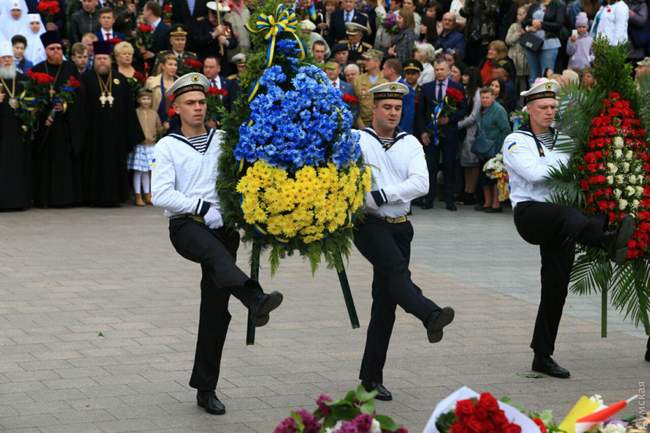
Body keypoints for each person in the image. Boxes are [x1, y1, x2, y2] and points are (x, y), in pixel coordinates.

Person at [151, 72, 283, 415]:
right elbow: (160, 194)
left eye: (201, 102)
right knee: (213, 254)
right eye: (189, 103)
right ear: (175, 107)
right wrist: (201, 207)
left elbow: (246, 175)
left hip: (223, 227)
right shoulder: (167, 145)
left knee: (214, 309)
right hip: (187, 226)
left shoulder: (224, 139)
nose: (197, 108)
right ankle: (253, 296)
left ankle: (205, 388)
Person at [502, 78, 636, 378]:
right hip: (531, 214)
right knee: (568, 213)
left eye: (553, 106)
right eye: (543, 107)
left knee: (556, 287)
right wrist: (570, 167)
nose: (550, 112)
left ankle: (542, 355)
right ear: (530, 110)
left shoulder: (564, 138)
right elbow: (534, 175)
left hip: (566, 221)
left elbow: (582, 172)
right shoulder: (516, 140)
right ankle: (605, 240)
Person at [354, 81, 455, 401]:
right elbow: (358, 192)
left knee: (385, 303)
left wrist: (384, 193)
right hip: (369, 224)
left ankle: (370, 379)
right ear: (374, 109)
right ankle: (429, 314)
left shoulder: (409, 142)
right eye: (387, 107)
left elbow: (421, 183)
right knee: (397, 273)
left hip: (401, 225)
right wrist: (375, 198)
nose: (393, 113)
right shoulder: (358, 140)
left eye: (398, 108)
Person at [80, 40, 144, 206]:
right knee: (94, 166)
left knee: (115, 165)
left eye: (105, 58)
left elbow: (129, 109)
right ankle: (92, 197)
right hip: (93, 133)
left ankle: (116, 197)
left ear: (110, 60)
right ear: (94, 59)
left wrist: (130, 133)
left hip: (116, 134)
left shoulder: (120, 79)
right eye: (99, 58)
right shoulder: (86, 79)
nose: (102, 61)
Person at [31, 31, 83, 208]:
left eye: (59, 48)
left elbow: (80, 96)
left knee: (64, 162)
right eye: (52, 49)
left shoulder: (71, 68)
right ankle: (43, 199)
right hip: (44, 125)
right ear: (46, 50)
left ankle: (64, 199)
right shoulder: (37, 69)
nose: (56, 51)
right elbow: (31, 97)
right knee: (44, 162)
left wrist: (66, 107)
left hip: (64, 126)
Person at [417, 58, 467, 211]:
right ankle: (429, 198)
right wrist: (423, 131)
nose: (439, 72)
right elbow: (420, 113)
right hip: (431, 132)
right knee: (430, 166)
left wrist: (450, 119)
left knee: (449, 166)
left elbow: (464, 109)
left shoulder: (457, 87)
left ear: (448, 70)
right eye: (436, 69)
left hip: (449, 132)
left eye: (442, 69)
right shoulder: (426, 87)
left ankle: (449, 199)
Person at [0, 40, 31, 210]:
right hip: (1, 132)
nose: (6, 61)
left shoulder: (23, 80)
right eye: (3, 58)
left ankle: (19, 201)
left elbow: (32, 103)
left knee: (18, 165)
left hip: (19, 130)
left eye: (9, 58)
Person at [475, 86, 510, 212]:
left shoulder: (499, 110)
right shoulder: (481, 110)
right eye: (482, 97)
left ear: (493, 97)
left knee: (495, 177)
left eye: (487, 97)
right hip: (483, 148)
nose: (484, 100)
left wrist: (501, 149)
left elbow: (506, 130)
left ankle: (496, 203)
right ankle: (487, 202)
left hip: (495, 148)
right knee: (484, 177)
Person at [129, 88, 163, 206]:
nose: (146, 101)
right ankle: (138, 195)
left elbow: (159, 128)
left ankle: (148, 194)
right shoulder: (135, 113)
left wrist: (164, 127)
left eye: (148, 99)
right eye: (143, 98)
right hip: (140, 146)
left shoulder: (154, 113)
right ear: (139, 100)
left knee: (149, 171)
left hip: (151, 147)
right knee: (139, 171)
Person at [522, 0, 566, 85]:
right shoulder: (534, 5)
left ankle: (546, 97)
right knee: (533, 77)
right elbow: (524, 22)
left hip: (549, 44)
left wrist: (541, 24)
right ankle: (533, 97)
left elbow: (559, 24)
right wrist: (529, 26)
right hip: (532, 43)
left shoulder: (558, 5)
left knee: (546, 77)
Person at [457, 66, 482, 205]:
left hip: (472, 131)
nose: (463, 77)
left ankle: (470, 192)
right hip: (464, 131)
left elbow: (474, 116)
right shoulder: (465, 91)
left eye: (466, 75)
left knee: (472, 163)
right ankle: (466, 190)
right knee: (466, 163)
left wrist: (458, 124)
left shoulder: (477, 93)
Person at [353, 49, 387, 128]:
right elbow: (354, 105)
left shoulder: (386, 81)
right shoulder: (358, 81)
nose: (364, 62)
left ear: (377, 63)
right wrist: (360, 124)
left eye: (368, 60)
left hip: (381, 124)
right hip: (362, 124)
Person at [147, 53, 178, 129]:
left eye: (175, 65)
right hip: (155, 122)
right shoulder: (151, 82)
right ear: (163, 66)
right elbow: (147, 105)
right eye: (170, 64)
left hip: (175, 122)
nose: (173, 67)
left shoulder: (179, 83)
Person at [505, 5, 530, 96]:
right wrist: (517, 35)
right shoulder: (514, 26)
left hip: (525, 59)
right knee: (513, 79)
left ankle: (522, 101)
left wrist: (526, 33)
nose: (518, 16)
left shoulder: (530, 27)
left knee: (523, 81)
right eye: (518, 14)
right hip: (513, 57)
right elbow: (508, 40)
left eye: (521, 14)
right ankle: (512, 98)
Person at [400, 59, 422, 134]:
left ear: (419, 75)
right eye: (408, 73)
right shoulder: (400, 89)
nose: (410, 76)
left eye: (413, 73)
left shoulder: (422, 91)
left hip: (417, 128)